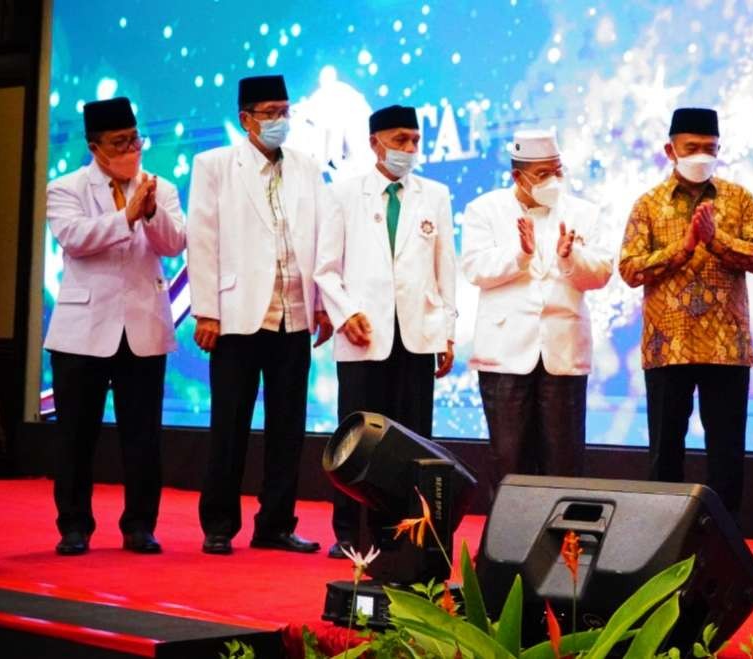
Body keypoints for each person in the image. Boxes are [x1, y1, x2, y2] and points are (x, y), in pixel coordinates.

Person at [187, 75, 336, 555]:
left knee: (288, 427)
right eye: (269, 112)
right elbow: (202, 239)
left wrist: (321, 303)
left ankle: (275, 524)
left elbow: (322, 239)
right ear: (245, 118)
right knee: (229, 423)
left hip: (292, 315)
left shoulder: (307, 167)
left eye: (284, 111)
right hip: (235, 317)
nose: (279, 121)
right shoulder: (214, 165)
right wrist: (206, 311)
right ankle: (219, 524)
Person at [44, 97, 186, 555]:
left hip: (142, 326)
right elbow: (77, 240)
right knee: (76, 436)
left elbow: (174, 242)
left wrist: (149, 212)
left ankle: (140, 525)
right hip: (83, 330)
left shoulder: (157, 187)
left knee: (143, 435)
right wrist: (125, 216)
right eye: (120, 143)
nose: (131, 149)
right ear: (96, 148)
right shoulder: (65, 188)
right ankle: (74, 525)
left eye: (135, 139)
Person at [315, 105, 457, 559]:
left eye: (415, 140)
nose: (409, 150)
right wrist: (345, 313)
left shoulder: (434, 194)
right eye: (400, 140)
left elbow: (445, 269)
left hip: (417, 334)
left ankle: (403, 531)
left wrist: (447, 331)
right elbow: (325, 269)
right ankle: (349, 533)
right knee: (358, 437)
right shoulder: (343, 194)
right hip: (363, 334)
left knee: (413, 439)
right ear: (375, 141)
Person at [619, 108, 753, 518]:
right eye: (692, 148)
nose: (702, 155)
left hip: (727, 347)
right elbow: (631, 269)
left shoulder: (739, 199)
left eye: (710, 148)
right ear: (670, 150)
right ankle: (664, 545)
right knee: (665, 454)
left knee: (727, 457)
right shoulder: (648, 205)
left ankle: (724, 549)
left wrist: (716, 239)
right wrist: (684, 247)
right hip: (668, 346)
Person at [462, 129, 613, 492]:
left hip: (563, 351)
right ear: (518, 176)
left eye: (557, 171)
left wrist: (570, 257)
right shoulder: (484, 209)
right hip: (505, 351)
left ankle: (565, 547)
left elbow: (602, 272)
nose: (554, 181)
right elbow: (475, 268)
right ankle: (511, 546)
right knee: (510, 461)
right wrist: (521, 255)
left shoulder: (583, 211)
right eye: (543, 174)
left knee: (565, 461)